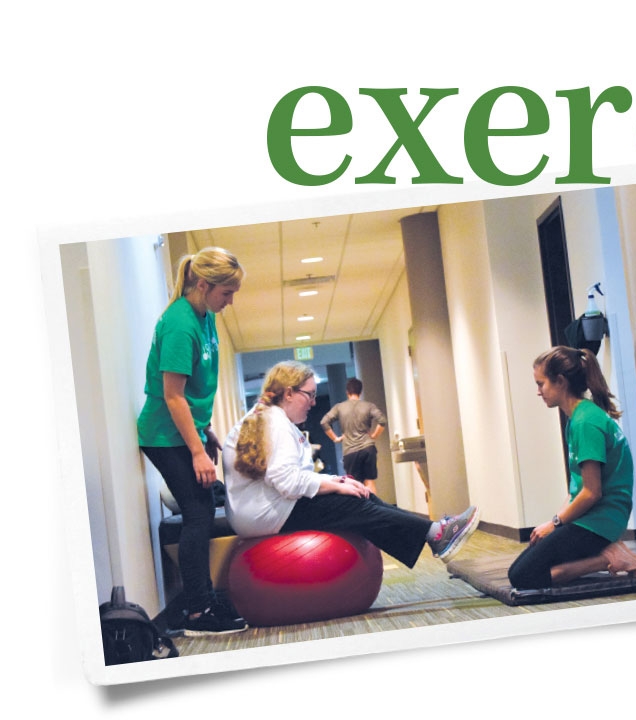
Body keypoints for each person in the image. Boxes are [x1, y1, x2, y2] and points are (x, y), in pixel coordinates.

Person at [222, 361, 480, 581]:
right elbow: (288, 482)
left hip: (262, 510)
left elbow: (290, 478)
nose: (313, 402)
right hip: (264, 514)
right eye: (309, 395)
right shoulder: (275, 424)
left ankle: (435, 533)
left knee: (357, 491)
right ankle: (436, 533)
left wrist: (337, 480)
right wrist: (336, 486)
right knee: (351, 501)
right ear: (289, 393)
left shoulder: (270, 418)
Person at [137, 246, 247, 636]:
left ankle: (201, 599)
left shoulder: (205, 316)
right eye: (226, 293)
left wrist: (206, 430)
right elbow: (172, 395)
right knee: (199, 512)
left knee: (202, 506)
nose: (230, 302)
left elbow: (197, 389)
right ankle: (197, 611)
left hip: (185, 432)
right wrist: (197, 451)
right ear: (203, 284)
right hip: (164, 436)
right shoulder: (181, 323)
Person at [507, 346, 636, 589]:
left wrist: (554, 524)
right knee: (525, 566)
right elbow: (577, 488)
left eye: (541, 384)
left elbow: (592, 493)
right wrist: (555, 524)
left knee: (523, 576)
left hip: (601, 520)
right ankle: (605, 553)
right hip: (591, 518)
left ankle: (609, 557)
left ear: (560, 382)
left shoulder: (586, 422)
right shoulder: (578, 418)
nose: (538, 392)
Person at [320, 377, 388, 494]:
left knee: (354, 484)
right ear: (360, 392)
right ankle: (374, 509)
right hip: (368, 448)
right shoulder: (369, 406)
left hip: (350, 451)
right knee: (370, 481)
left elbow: (324, 422)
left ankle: (361, 512)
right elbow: (382, 421)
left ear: (347, 392)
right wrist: (374, 436)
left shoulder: (339, 407)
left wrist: (336, 438)